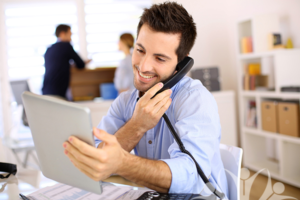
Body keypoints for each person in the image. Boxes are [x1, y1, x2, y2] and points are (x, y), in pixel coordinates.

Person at [63, 2, 228, 196]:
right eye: (140, 50)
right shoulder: (125, 102)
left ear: (181, 63)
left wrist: (123, 163)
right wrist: (137, 125)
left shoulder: (195, 100)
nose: (143, 66)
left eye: (159, 58)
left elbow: (192, 178)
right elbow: (97, 157)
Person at [42, 24, 91, 99]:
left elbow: (56, 64)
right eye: (70, 35)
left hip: (46, 90)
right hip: (58, 91)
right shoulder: (66, 46)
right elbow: (81, 65)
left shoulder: (49, 49)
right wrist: (86, 62)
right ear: (62, 34)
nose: (71, 39)